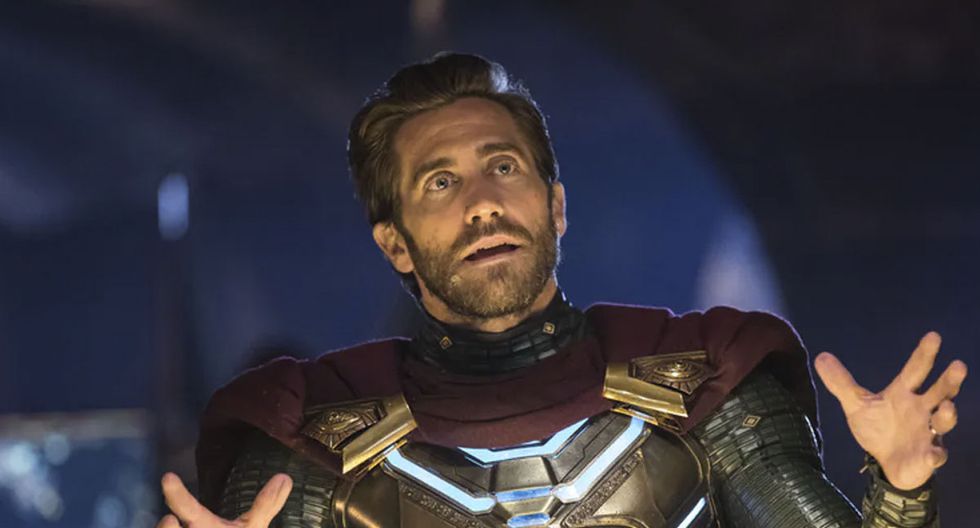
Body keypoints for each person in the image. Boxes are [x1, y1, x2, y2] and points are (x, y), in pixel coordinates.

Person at [156, 53, 966, 528]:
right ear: (394, 241)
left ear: (556, 205)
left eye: (503, 166)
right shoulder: (306, 438)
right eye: (441, 182)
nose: (482, 203)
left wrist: (901, 487)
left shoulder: (707, 384)